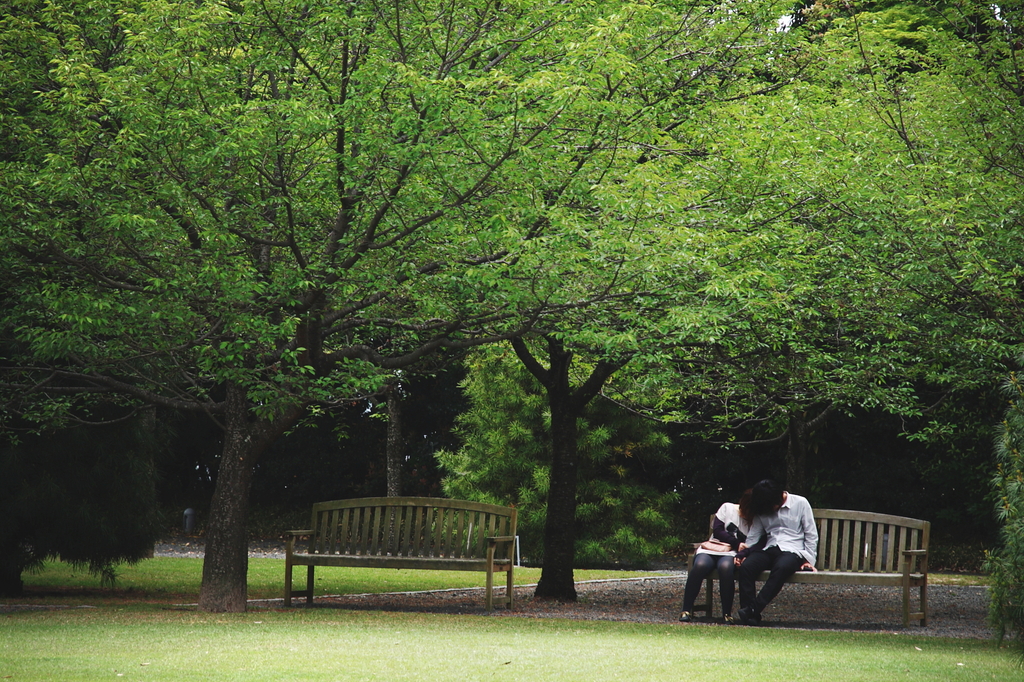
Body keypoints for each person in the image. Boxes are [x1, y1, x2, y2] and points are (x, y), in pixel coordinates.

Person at [733, 479, 818, 626]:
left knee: (782, 567)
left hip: (793, 550)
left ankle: (752, 609)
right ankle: (750, 615)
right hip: (769, 548)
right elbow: (754, 536)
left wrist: (808, 560)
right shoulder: (763, 506)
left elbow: (811, 534)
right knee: (747, 567)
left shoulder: (800, 503)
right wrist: (743, 554)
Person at [679, 490, 756, 624]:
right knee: (700, 565)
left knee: (725, 568)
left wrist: (741, 553)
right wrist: (737, 543)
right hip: (712, 548)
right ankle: (686, 610)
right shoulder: (727, 507)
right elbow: (718, 531)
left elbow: (753, 542)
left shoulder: (755, 520)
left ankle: (726, 613)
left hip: (731, 553)